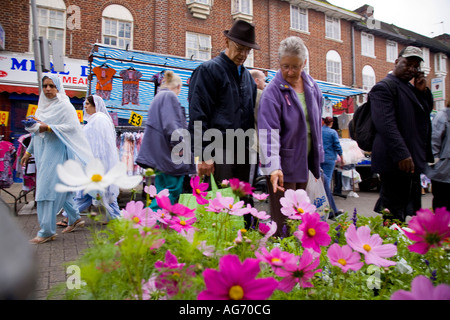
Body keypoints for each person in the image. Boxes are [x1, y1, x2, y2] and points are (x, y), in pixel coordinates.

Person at [187, 19, 260, 227]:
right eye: (240, 48)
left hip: (242, 152)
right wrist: (203, 155)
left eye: (248, 50)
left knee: (241, 207)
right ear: (226, 41)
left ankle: (239, 251)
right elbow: (198, 114)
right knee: (218, 207)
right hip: (217, 152)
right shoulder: (208, 70)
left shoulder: (247, 78)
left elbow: (248, 120)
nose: (243, 54)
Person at [258, 36, 324, 236]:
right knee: (284, 223)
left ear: (304, 63)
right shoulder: (272, 92)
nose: (290, 72)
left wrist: (318, 157)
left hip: (305, 163)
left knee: (302, 221)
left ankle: (298, 261)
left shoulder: (312, 87)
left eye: (295, 66)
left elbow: (316, 124)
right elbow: (268, 132)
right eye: (285, 66)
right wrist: (273, 166)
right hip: (282, 168)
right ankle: (279, 261)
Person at [21, 74, 93, 244]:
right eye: (45, 86)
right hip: (42, 152)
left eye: (52, 86)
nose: (48, 89)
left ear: (58, 87)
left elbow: (72, 127)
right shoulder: (41, 107)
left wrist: (48, 127)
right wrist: (28, 151)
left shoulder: (65, 106)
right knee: (62, 189)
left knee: (45, 190)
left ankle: (46, 231)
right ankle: (75, 218)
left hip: (57, 153)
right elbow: (36, 132)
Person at [370, 46, 434, 222]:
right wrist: (402, 153)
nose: (412, 70)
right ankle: (392, 245)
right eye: (408, 64)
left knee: (408, 209)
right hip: (396, 161)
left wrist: (423, 92)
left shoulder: (409, 88)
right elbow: (386, 124)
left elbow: (424, 113)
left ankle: (400, 244)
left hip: (410, 160)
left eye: (415, 67)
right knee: (393, 212)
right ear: (397, 62)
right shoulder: (384, 87)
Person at [57, 95, 121, 227]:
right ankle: (115, 218)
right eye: (84, 104)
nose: (85, 107)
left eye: (87, 104)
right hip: (97, 163)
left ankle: (69, 217)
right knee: (98, 193)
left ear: (95, 105)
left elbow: (99, 145)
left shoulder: (98, 120)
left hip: (96, 163)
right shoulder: (97, 120)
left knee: (87, 193)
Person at [136, 70, 195, 209]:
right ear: (179, 87)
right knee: (171, 190)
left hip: (159, 156)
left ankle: (157, 225)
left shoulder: (158, 97)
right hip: (169, 156)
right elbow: (171, 126)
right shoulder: (169, 96)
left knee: (162, 191)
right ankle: (148, 222)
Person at [426, 98, 450, 212]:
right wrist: (435, 166)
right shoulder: (442, 117)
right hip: (443, 172)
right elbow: (433, 143)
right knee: (442, 206)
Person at [320, 116, 344, 188]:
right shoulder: (333, 132)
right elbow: (337, 146)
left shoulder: (319, 131)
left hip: (319, 157)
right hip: (330, 158)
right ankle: (326, 195)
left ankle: (319, 195)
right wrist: (342, 157)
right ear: (331, 123)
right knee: (327, 177)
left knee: (319, 178)